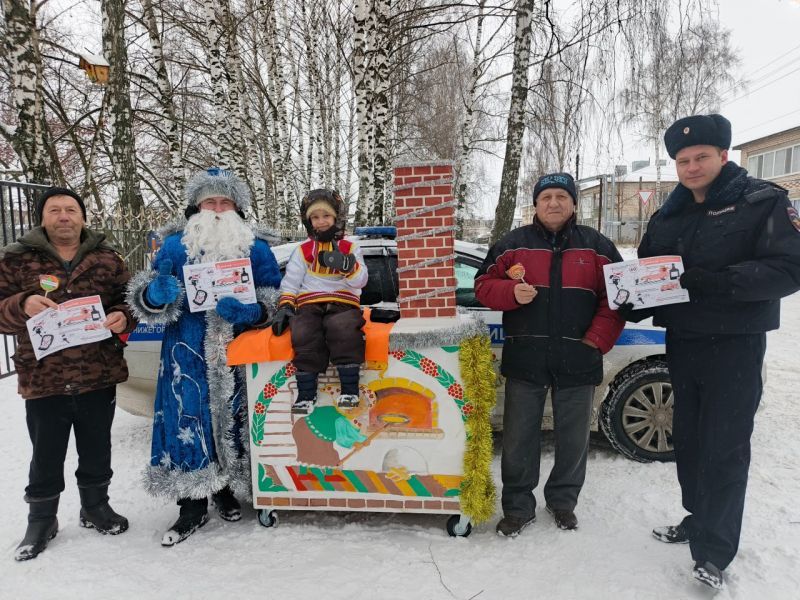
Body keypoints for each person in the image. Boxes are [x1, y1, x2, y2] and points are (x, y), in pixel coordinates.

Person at [624, 114, 800, 590]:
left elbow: (788, 268)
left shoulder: (762, 202)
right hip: (684, 342)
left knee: (725, 447)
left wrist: (715, 283)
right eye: (683, 160)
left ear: (724, 156)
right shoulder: (669, 214)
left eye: (701, 157)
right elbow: (648, 272)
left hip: (736, 347)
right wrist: (630, 302)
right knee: (691, 441)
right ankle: (699, 518)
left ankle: (715, 551)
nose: (692, 167)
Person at [127, 167, 281, 546]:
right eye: (208, 201)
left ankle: (228, 490)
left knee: (236, 422)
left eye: (224, 201)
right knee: (189, 419)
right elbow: (146, 303)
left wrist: (253, 311)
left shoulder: (256, 248)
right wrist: (157, 295)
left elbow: (276, 299)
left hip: (240, 352)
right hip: (187, 353)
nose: (216, 208)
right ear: (194, 208)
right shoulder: (174, 247)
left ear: (238, 208)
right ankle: (191, 505)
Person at [475, 173, 625, 538]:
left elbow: (618, 298)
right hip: (526, 359)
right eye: (546, 197)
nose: (554, 203)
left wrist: (596, 339)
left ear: (574, 204)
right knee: (518, 439)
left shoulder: (598, 247)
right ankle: (518, 507)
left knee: (573, 440)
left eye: (562, 196)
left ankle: (562, 502)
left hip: (579, 358)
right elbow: (482, 286)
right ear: (536, 204)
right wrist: (510, 293)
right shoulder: (512, 245)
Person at [0, 187, 135, 561]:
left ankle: (96, 507)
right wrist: (20, 304)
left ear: (82, 217)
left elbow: (130, 300)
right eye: (55, 210)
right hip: (44, 376)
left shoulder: (107, 259)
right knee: (46, 452)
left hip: (98, 372)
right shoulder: (15, 260)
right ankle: (41, 519)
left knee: (97, 445)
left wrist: (124, 316)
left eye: (71, 210)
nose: (63, 216)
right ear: (42, 218)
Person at [271, 189, 368, 414]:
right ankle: (306, 394)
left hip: (343, 302)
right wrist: (285, 305)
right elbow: (292, 282)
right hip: (309, 302)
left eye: (326, 216)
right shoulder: (303, 250)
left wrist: (347, 266)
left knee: (343, 329)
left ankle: (349, 390)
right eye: (315, 217)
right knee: (304, 332)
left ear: (336, 218)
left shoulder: (351, 247)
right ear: (309, 222)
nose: (321, 221)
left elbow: (361, 281)